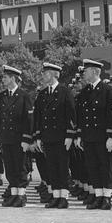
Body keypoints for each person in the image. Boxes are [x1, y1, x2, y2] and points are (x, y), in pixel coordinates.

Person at [77, 59, 112, 210]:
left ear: (95, 71)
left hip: (103, 136)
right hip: (89, 136)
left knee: (104, 166)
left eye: (86, 71)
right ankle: (98, 195)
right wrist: (80, 135)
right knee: (92, 166)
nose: (84, 73)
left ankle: (106, 197)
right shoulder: (84, 92)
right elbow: (81, 116)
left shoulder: (107, 90)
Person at [34, 62, 77, 209]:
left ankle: (63, 196)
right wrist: (38, 137)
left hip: (61, 137)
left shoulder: (65, 92)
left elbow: (72, 115)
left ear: (54, 74)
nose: (43, 76)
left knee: (62, 167)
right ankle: (55, 195)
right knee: (51, 167)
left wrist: (70, 135)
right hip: (48, 137)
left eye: (45, 73)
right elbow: (38, 118)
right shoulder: (43, 94)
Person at [0, 66, 34, 208]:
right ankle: (13, 194)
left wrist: (26, 139)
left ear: (13, 78)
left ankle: (21, 195)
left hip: (19, 139)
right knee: (10, 168)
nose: (3, 79)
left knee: (20, 167)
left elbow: (28, 120)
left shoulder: (24, 96)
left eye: (5, 77)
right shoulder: (2, 96)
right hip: (6, 138)